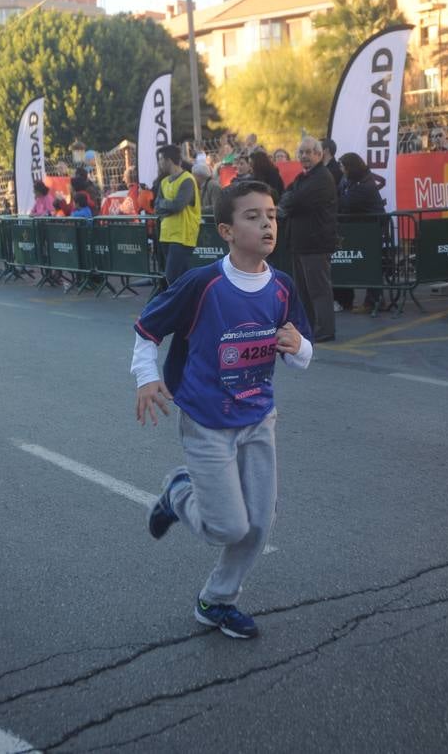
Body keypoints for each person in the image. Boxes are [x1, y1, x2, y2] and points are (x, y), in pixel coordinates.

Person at [133, 180, 314, 640]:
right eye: (252, 216)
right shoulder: (203, 283)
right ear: (227, 231)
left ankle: (217, 601)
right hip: (207, 422)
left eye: (271, 214)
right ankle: (177, 491)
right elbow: (147, 328)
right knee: (227, 527)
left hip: (258, 419)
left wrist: (300, 347)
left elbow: (299, 353)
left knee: (259, 523)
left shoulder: (282, 287)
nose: (266, 223)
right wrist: (147, 377)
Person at [279, 137, 338, 342]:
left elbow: (295, 201)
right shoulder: (304, 177)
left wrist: (288, 202)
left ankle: (325, 330)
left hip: (315, 243)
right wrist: (287, 201)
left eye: (308, 152)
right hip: (301, 242)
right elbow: (287, 195)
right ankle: (310, 327)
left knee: (318, 290)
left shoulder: (321, 177)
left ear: (319, 154)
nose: (304, 156)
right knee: (304, 291)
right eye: (301, 152)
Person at [332, 152, 387, 314]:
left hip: (371, 229)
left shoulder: (365, 185)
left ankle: (375, 300)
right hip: (360, 229)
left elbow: (345, 203)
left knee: (371, 265)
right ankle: (371, 300)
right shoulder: (349, 180)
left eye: (343, 166)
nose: (341, 169)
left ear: (351, 167)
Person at [154, 145, 201, 287]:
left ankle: (177, 305)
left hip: (183, 235)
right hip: (166, 234)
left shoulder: (187, 180)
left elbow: (178, 205)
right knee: (182, 276)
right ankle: (192, 303)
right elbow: (156, 207)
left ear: (169, 160)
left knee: (172, 276)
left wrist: (165, 205)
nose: (160, 163)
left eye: (161, 159)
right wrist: (168, 206)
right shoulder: (164, 182)